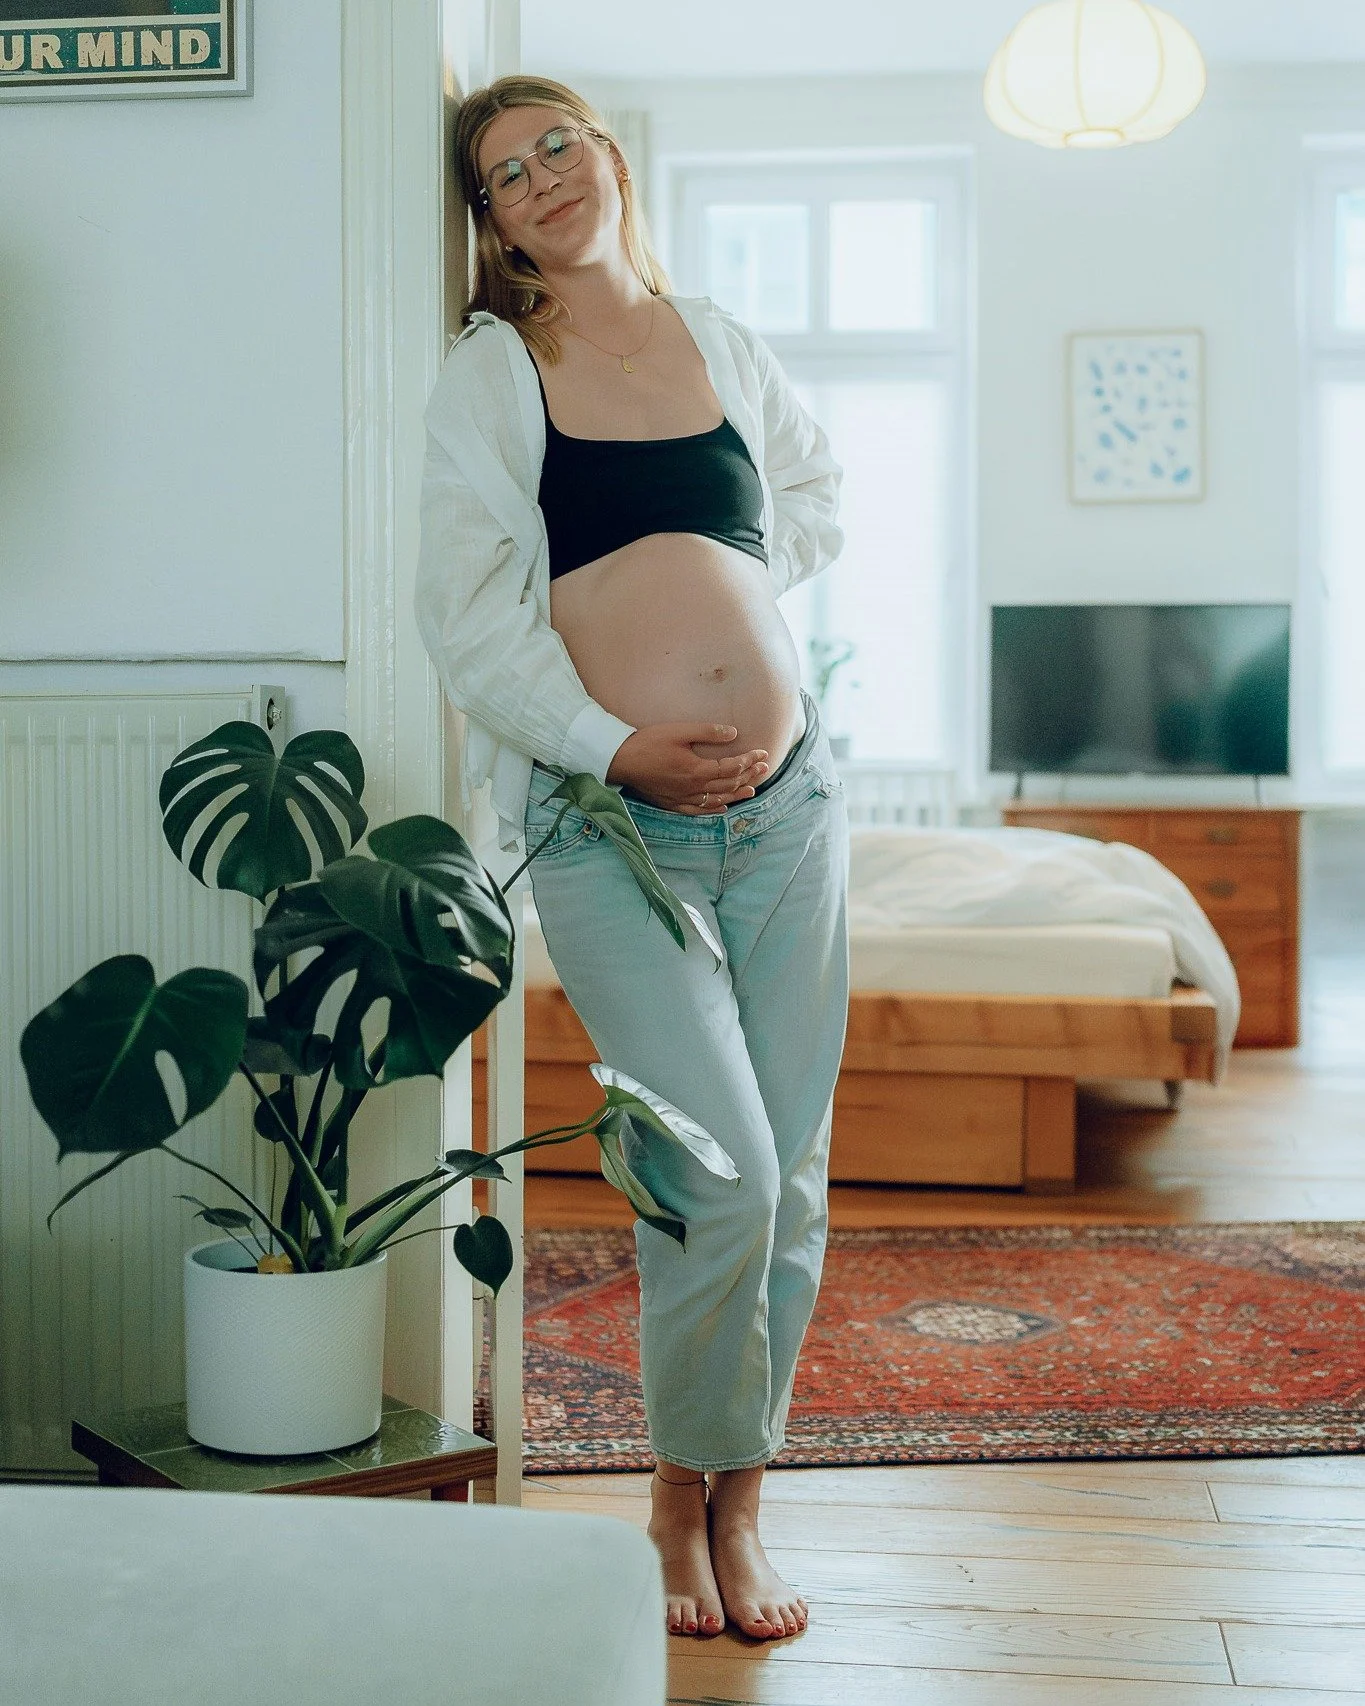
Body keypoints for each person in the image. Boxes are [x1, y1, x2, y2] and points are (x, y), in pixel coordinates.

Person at [416, 74, 849, 1642]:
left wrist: (727, 593)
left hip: (791, 809)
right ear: (491, 221)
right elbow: (468, 618)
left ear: (610, 160)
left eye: (560, 147)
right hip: (609, 822)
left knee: (790, 1183)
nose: (542, 179)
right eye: (505, 172)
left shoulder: (716, 333)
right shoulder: (493, 372)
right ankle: (675, 1494)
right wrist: (624, 734)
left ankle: (742, 1500)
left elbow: (811, 491)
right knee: (716, 1172)